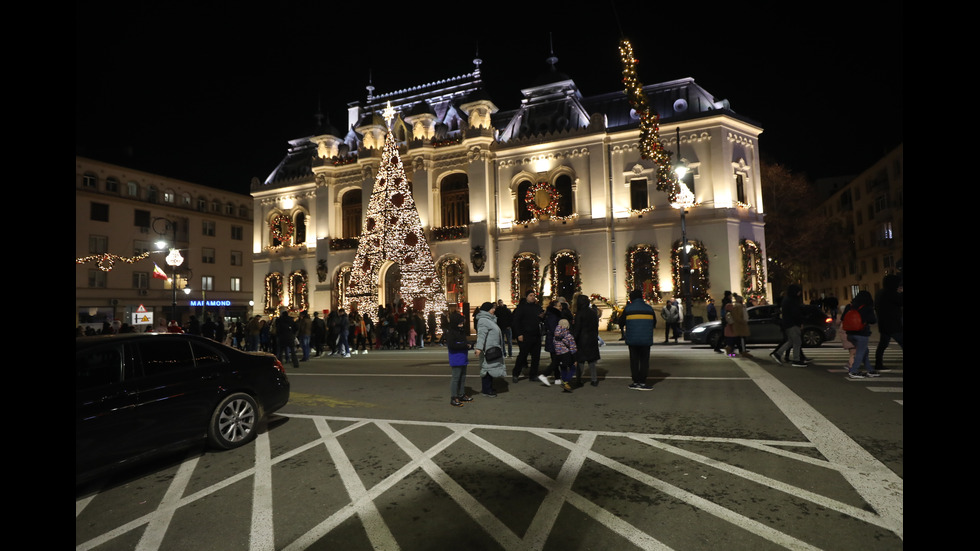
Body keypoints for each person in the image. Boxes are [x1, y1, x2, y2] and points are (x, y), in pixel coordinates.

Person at [619, 289, 656, 390]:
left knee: (634, 361)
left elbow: (621, 322)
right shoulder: (649, 309)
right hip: (646, 340)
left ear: (631, 298)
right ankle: (643, 382)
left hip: (633, 339)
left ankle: (635, 381)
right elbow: (654, 323)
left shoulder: (628, 309)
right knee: (644, 361)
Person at [843, 290, 879, 379]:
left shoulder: (849, 306)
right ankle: (854, 371)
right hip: (862, 333)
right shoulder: (867, 308)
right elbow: (872, 320)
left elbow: (843, 317)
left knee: (864, 351)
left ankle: (870, 370)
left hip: (850, 334)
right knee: (860, 352)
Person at [474, 302, 506, 398]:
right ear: (488, 310)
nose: (494, 310)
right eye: (492, 308)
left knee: (490, 369)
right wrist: (479, 348)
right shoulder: (483, 320)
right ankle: (486, 390)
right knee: (487, 370)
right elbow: (481, 335)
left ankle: (489, 388)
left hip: (492, 348)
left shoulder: (489, 320)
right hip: (487, 350)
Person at [511, 290, 544, 383]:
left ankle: (533, 375)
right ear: (526, 297)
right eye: (530, 295)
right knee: (522, 356)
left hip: (536, 335)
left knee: (536, 357)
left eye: (534, 295)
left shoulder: (537, 307)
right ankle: (515, 374)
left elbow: (541, 318)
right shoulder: (521, 308)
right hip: (525, 335)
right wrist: (519, 334)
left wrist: (542, 316)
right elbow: (516, 322)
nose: (533, 297)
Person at [771, 284, 806, 367]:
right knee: (797, 342)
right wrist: (800, 322)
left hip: (788, 324)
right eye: (798, 291)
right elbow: (795, 313)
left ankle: (778, 354)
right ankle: (796, 360)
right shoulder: (792, 300)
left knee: (791, 341)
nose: (799, 293)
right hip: (793, 324)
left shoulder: (787, 300)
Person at [874, 274, 903, 372]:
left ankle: (878, 364)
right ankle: (878, 364)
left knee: (882, 345)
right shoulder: (890, 293)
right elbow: (900, 301)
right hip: (893, 325)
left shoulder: (880, 293)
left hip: (883, 324)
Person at [572, 293, 601, 386]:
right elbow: (596, 326)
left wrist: (573, 339)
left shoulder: (579, 314)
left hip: (582, 339)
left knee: (580, 360)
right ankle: (594, 379)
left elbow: (577, 328)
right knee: (591, 361)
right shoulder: (592, 312)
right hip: (592, 338)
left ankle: (579, 380)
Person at [444, 311, 471, 407]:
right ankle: (454, 397)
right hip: (456, 357)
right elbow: (452, 345)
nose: (461, 324)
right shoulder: (451, 332)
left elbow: (463, 341)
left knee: (463, 377)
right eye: (459, 322)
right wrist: (464, 345)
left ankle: (461, 394)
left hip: (463, 356)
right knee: (456, 378)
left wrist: (468, 344)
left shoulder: (461, 330)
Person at [553, 319, 578, 392]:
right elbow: (573, 348)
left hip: (558, 354)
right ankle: (566, 382)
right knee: (572, 368)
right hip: (566, 354)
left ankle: (565, 385)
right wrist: (575, 359)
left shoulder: (555, 336)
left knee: (563, 368)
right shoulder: (568, 335)